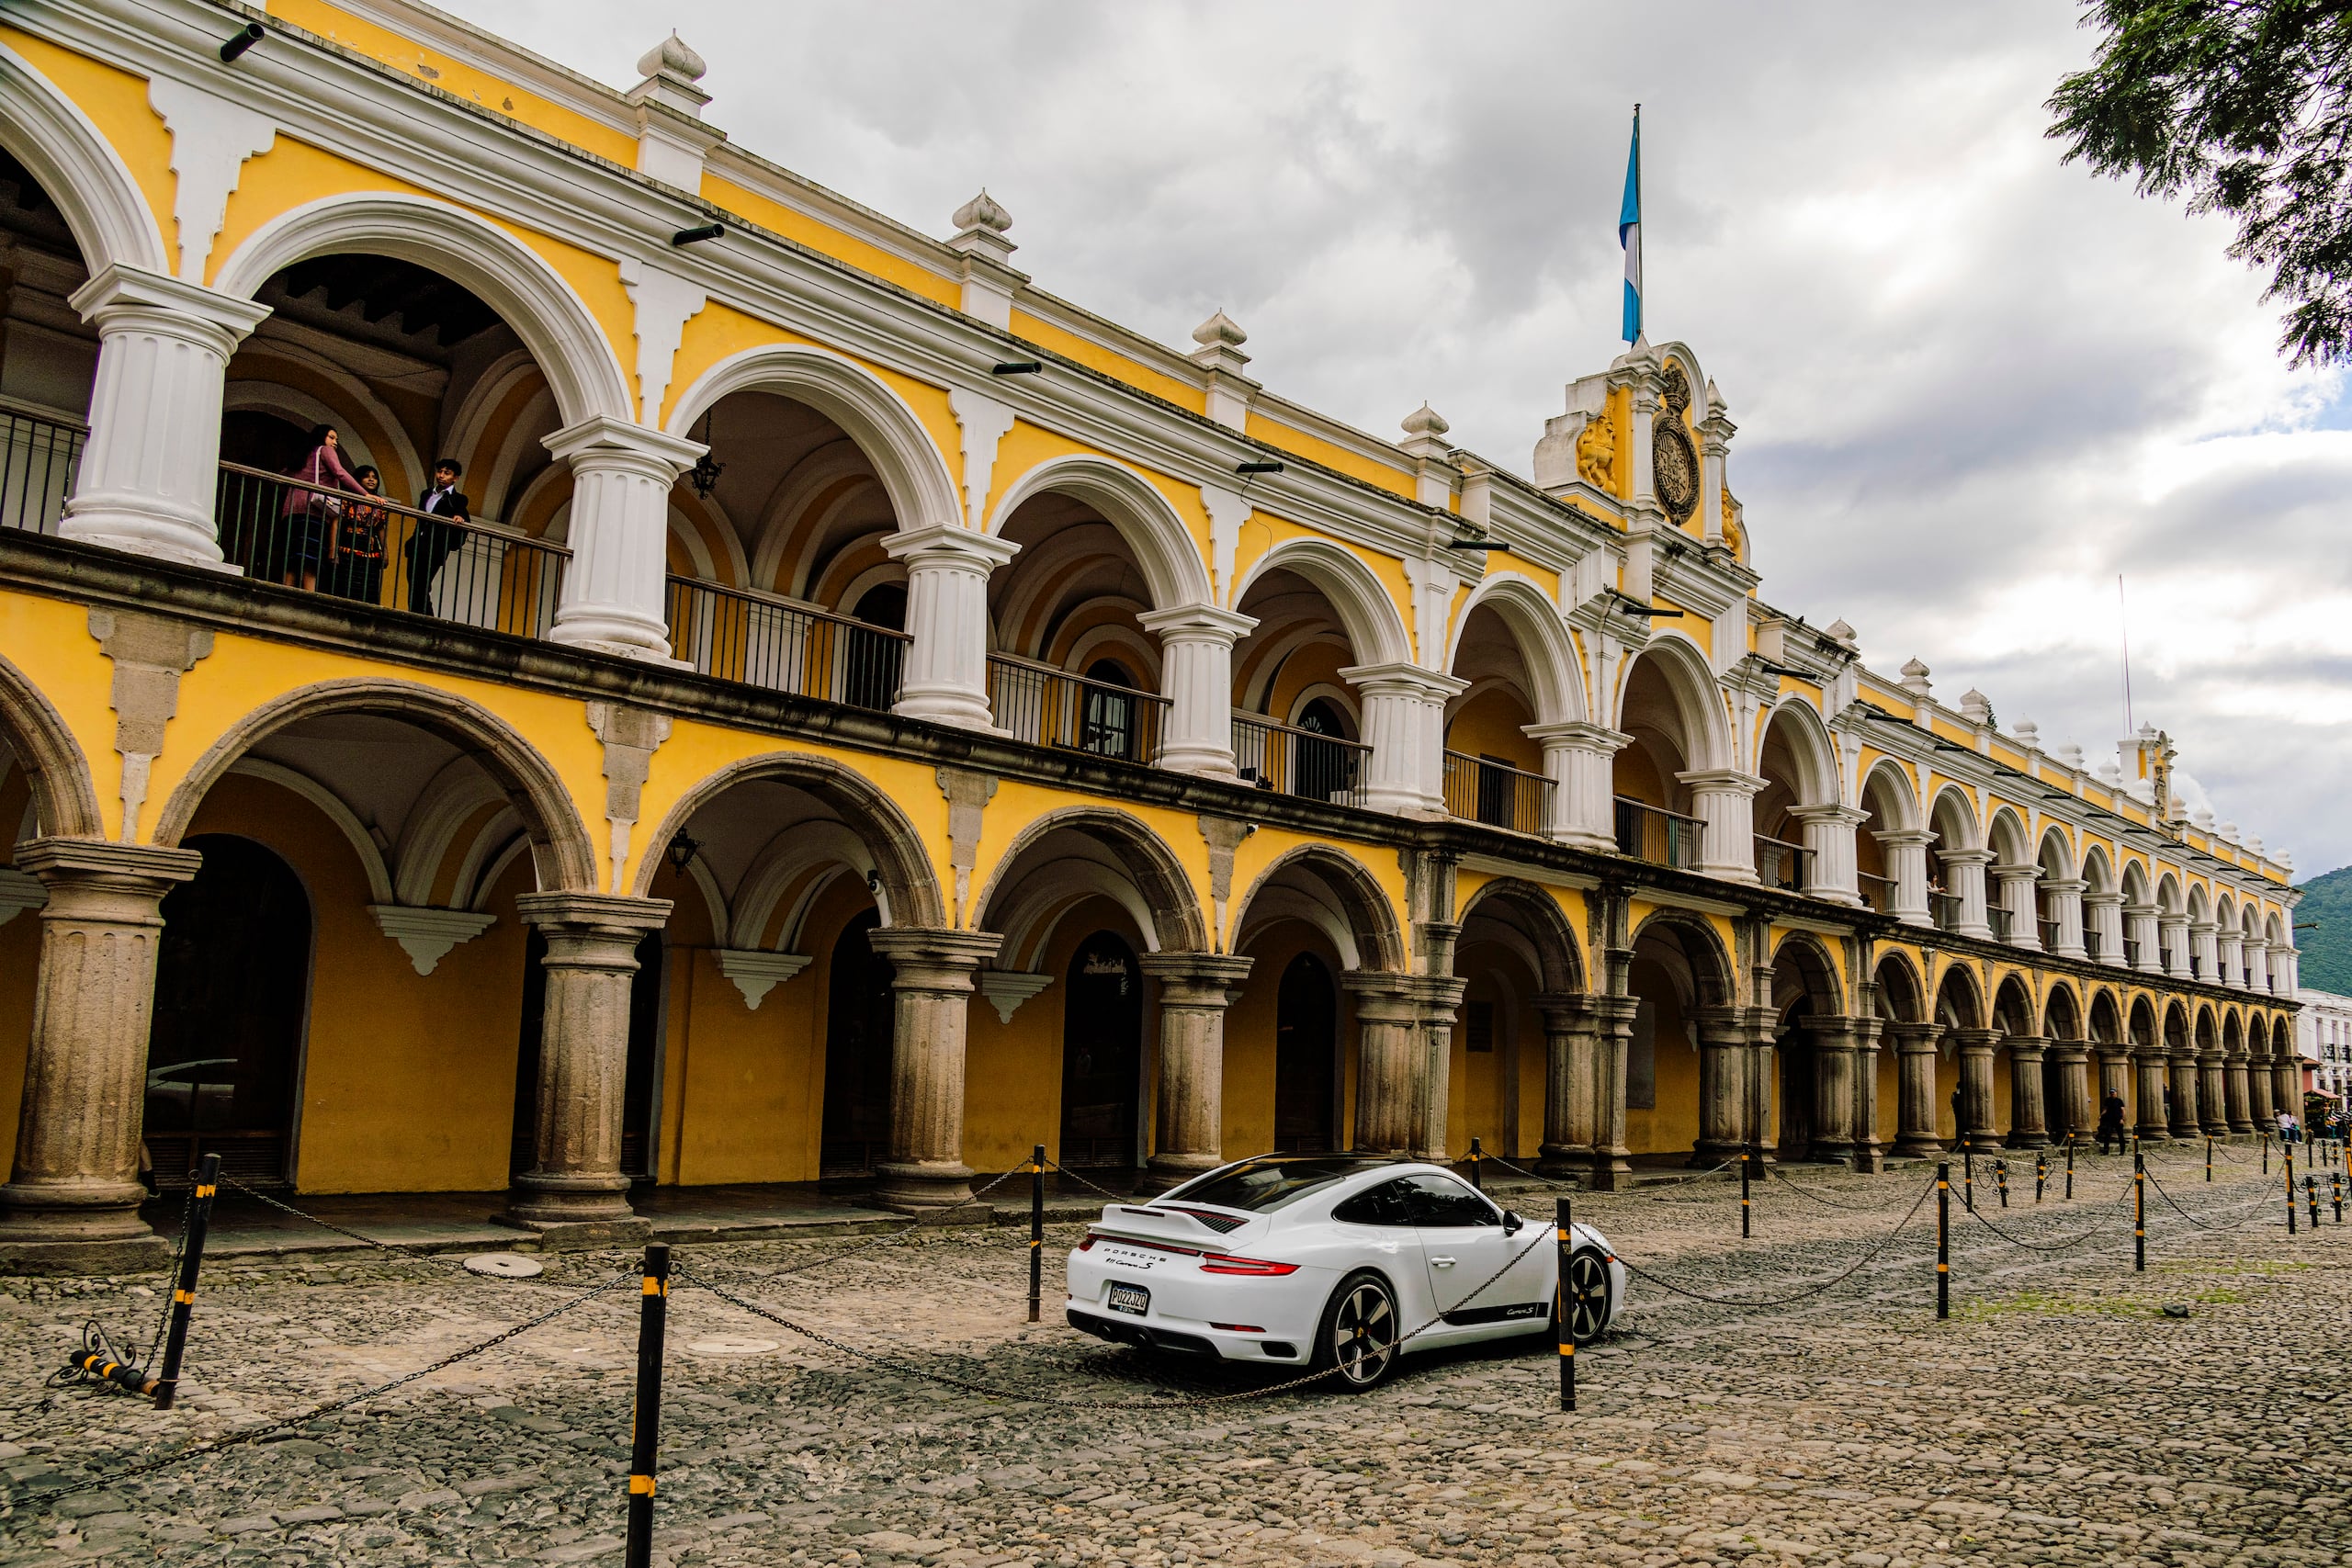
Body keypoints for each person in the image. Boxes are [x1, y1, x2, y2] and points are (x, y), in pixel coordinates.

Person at [279, 424, 363, 592]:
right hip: (313, 511)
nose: (335, 443)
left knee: (293, 555)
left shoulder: (302, 455)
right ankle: (309, 595)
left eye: (336, 440)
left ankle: (285, 590)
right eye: (332, 437)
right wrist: (365, 495)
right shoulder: (325, 451)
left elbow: (282, 476)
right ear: (321, 437)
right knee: (311, 557)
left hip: (292, 511)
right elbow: (340, 472)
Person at [401, 457, 471, 615]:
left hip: (435, 547)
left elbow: (461, 512)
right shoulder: (426, 494)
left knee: (422, 585)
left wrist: (459, 516)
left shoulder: (457, 499)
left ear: (455, 478)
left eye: (447, 473)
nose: (441, 475)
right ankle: (419, 616)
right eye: (440, 472)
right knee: (413, 583)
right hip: (417, 544)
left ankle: (424, 618)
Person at [329, 464, 390, 605]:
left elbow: (380, 528)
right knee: (346, 584)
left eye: (374, 477)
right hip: (348, 545)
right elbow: (336, 523)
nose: (371, 480)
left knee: (367, 587)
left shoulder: (380, 503)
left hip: (370, 549)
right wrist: (333, 551)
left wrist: (385, 553)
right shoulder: (349, 498)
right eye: (366, 476)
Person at [2096, 1089, 2127, 1154]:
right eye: (2111, 1093)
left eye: (2113, 1093)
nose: (2112, 1094)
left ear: (2116, 1093)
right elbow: (2105, 1109)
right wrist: (2100, 1115)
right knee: (2107, 1135)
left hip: (2118, 1120)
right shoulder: (2108, 1100)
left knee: (2120, 1135)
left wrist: (2122, 1119)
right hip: (2109, 1120)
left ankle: (2122, 1151)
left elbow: (2123, 1110)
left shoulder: (2119, 1100)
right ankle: (2106, 1150)